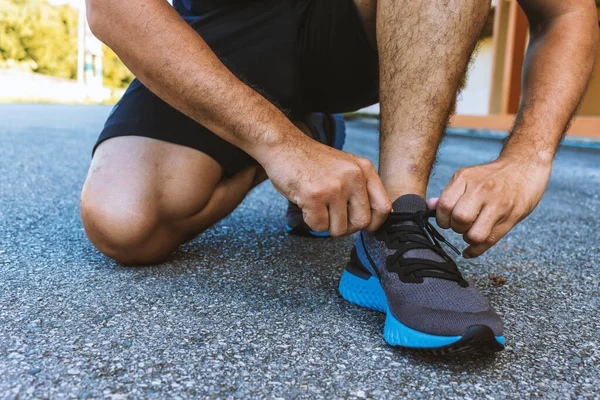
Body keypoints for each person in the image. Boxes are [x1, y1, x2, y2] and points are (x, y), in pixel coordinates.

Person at [80, 0, 598, 354]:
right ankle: (304, 132)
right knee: (125, 221)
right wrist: (282, 147)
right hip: (218, 35)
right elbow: (113, 8)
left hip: (359, 28)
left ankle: (398, 222)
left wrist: (528, 158)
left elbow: (568, 12)